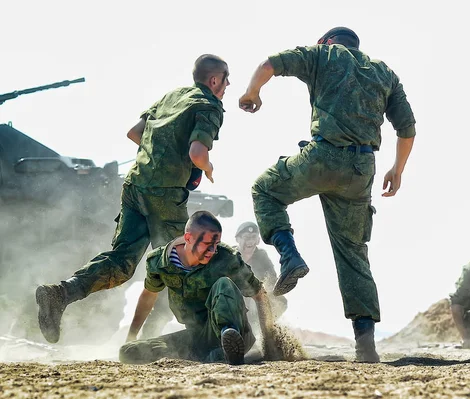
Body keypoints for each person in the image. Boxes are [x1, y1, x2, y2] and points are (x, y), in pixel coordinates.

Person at [238, 27, 416, 362]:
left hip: (323, 156)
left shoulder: (322, 55)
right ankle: (366, 345)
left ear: (325, 42)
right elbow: (407, 129)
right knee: (353, 253)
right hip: (362, 168)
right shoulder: (385, 72)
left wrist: (252, 93)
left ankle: (290, 256)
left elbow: (270, 64)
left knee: (265, 189)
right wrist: (397, 170)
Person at [35, 54, 230, 344]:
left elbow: (134, 133)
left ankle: (60, 293)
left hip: (135, 185)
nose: (227, 85)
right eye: (226, 79)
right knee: (184, 260)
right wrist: (207, 167)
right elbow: (197, 154)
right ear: (214, 80)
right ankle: (201, 332)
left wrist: (163, 156)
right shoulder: (209, 105)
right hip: (165, 195)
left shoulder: (171, 97)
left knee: (121, 263)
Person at [120, 211, 274, 365]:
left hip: (237, 333)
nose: (213, 251)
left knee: (223, 284)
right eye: (207, 245)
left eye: (216, 244)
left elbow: (260, 294)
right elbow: (148, 296)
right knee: (128, 351)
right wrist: (131, 335)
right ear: (188, 238)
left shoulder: (227, 258)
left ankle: (228, 342)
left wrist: (269, 344)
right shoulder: (159, 262)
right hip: (197, 336)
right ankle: (212, 356)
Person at [234, 221, 288, 319]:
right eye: (246, 237)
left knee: (280, 301)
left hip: (255, 298)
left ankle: (264, 328)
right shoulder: (230, 256)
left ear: (258, 240)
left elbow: (272, 278)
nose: (250, 241)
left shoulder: (262, 256)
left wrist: (264, 292)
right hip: (234, 299)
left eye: (253, 237)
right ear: (238, 239)